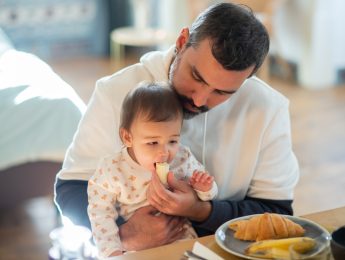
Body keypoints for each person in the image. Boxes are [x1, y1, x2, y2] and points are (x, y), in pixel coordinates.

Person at [55, 2, 299, 251]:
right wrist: (124, 234)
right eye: (197, 77)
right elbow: (70, 189)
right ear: (182, 41)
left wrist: (201, 211)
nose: (199, 100)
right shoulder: (114, 93)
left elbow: (276, 212)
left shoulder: (268, 109)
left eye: (223, 92)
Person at [87, 82, 217, 257]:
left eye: (172, 141)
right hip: (137, 248)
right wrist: (112, 251)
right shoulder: (112, 170)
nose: (165, 152)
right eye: (152, 143)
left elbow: (208, 195)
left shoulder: (182, 158)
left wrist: (206, 188)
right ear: (127, 138)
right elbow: (99, 213)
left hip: (183, 242)